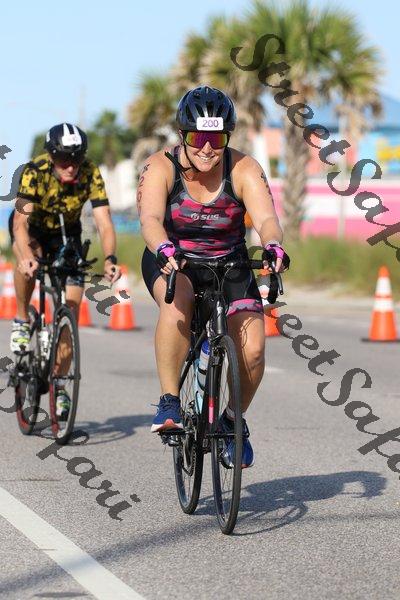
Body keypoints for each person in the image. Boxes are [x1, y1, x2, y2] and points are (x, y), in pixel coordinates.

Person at [139, 86, 289, 468]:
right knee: (177, 305)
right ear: (183, 136)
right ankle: (170, 401)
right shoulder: (161, 166)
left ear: (227, 137)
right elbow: (150, 219)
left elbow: (267, 219)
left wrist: (273, 245)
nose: (207, 148)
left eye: (217, 139)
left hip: (230, 262)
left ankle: (232, 421)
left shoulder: (244, 168)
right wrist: (163, 248)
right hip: (175, 259)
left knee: (254, 348)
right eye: (197, 138)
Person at [10, 122, 121, 418]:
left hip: (66, 235)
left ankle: (60, 387)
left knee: (70, 310)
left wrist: (110, 258)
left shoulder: (90, 172)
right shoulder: (34, 171)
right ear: (51, 156)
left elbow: (104, 221)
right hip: (33, 230)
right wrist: (26, 256)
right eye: (62, 160)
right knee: (27, 262)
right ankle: (22, 319)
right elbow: (20, 224)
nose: (70, 166)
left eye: (76, 158)